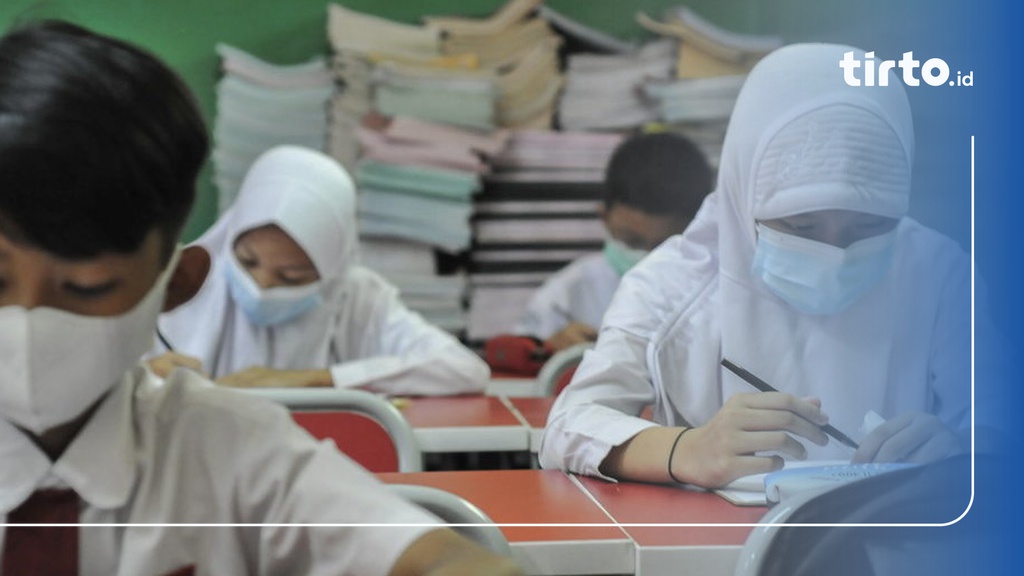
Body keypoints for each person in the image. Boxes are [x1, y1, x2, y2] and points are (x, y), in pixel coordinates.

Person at [0, 20, 521, 575]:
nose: (26, 321)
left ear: (173, 284)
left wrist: (311, 381)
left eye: (87, 288)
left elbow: (432, 557)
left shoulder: (233, 452)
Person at [539, 43, 988, 490]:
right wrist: (686, 450)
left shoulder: (939, 273)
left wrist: (966, 448)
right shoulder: (672, 284)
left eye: (868, 228)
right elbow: (568, 426)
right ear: (743, 191)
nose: (835, 256)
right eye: (802, 226)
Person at [151, 145, 490, 395]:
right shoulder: (186, 282)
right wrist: (141, 375)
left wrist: (317, 379)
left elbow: (464, 369)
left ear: (332, 268)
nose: (261, 287)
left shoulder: (356, 296)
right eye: (247, 261)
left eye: (292, 277)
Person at [514, 132, 713, 352]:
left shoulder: (719, 293)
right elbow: (521, 361)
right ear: (604, 217)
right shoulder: (566, 295)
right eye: (632, 241)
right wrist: (550, 348)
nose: (646, 258)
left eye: (664, 246)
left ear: (699, 230)